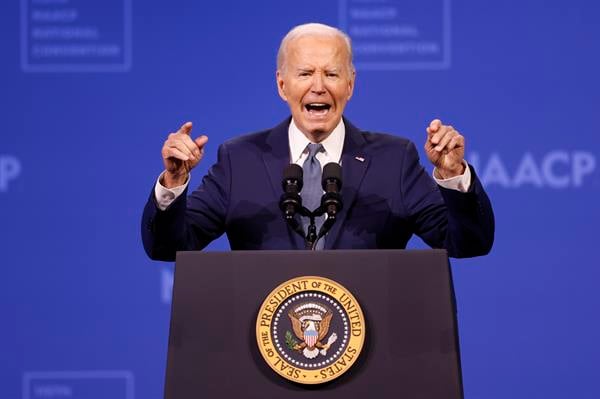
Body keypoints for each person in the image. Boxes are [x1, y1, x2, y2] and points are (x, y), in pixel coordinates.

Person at [142, 23, 494, 261]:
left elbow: (467, 243)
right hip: (263, 357)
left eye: (331, 73)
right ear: (282, 85)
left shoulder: (394, 159)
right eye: (306, 73)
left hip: (371, 354)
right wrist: (173, 183)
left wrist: (454, 175)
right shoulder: (239, 159)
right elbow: (170, 247)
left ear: (351, 84)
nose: (319, 86)